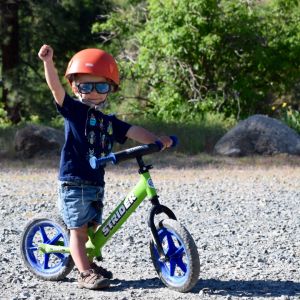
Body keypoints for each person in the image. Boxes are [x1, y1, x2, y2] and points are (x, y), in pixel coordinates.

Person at [38, 44, 172, 290]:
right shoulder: (74, 111)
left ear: (110, 89)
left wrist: (155, 140)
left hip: (95, 181)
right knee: (78, 232)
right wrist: (48, 62)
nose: (93, 92)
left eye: (101, 86)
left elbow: (132, 131)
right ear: (75, 87)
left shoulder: (108, 122)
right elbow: (55, 89)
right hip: (74, 179)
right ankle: (84, 273)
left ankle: (87, 261)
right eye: (86, 86)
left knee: (92, 229)